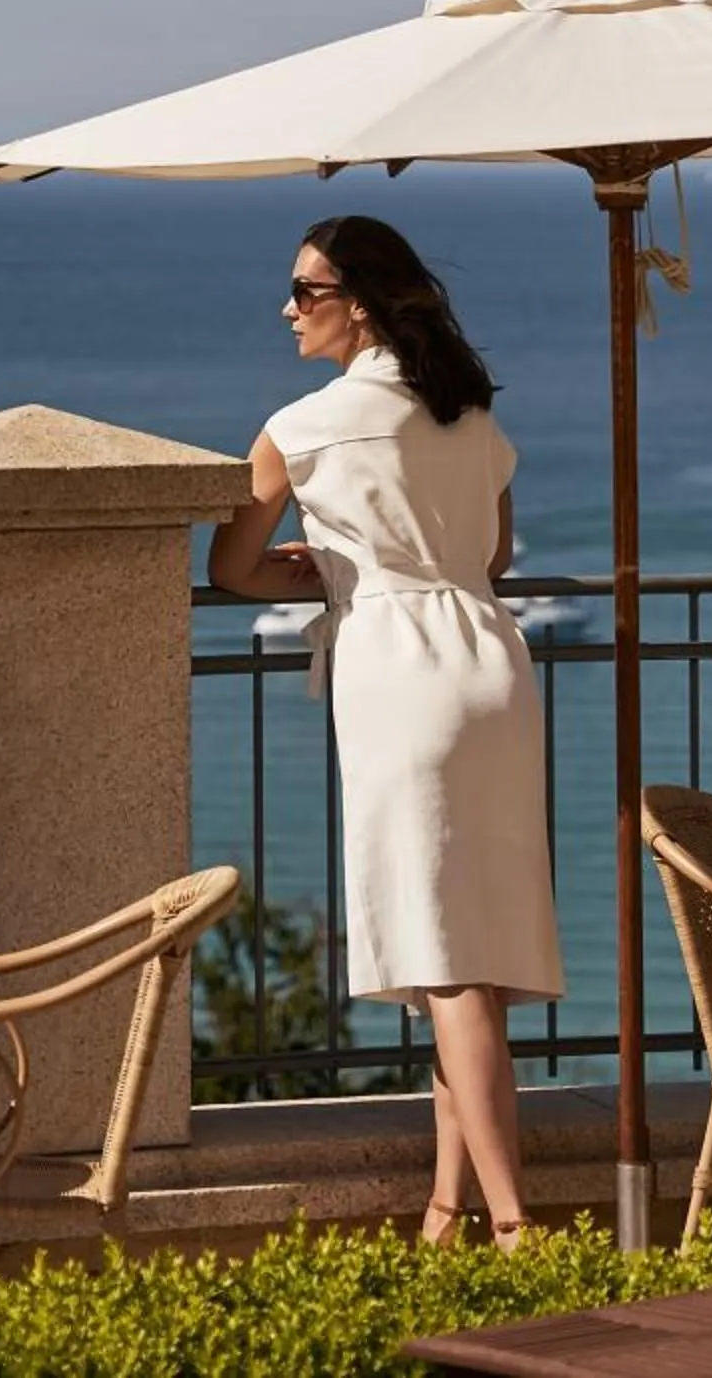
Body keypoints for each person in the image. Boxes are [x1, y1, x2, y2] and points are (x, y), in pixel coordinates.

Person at [208, 215, 563, 1249]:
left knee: (445, 952)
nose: (287, 308)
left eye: (303, 291)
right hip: (491, 661)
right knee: (468, 948)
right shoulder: (469, 410)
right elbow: (493, 553)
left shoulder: (299, 428)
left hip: (398, 670)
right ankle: (445, 1212)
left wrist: (327, 565)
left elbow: (234, 570)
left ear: (356, 301)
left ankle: (511, 1222)